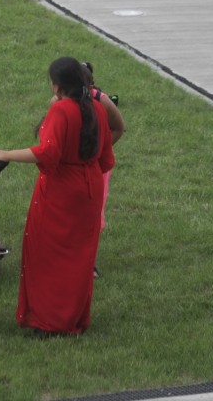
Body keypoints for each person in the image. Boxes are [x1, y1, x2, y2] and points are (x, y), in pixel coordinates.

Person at [0, 57, 114, 338]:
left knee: (48, 255)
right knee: (80, 257)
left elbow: (48, 153)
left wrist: (5, 154)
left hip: (61, 191)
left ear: (57, 87)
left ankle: (49, 320)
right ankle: (73, 318)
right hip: (90, 188)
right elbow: (106, 155)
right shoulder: (97, 107)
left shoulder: (61, 111)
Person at [81, 61, 125, 278]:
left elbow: (119, 127)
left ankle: (89, 263)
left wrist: (100, 152)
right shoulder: (58, 101)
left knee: (93, 213)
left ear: (92, 86)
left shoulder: (102, 101)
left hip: (97, 167)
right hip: (71, 167)